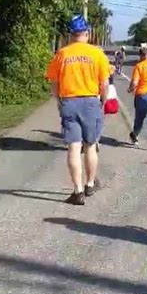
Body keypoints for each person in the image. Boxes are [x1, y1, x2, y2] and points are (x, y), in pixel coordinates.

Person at [46, 14, 110, 204]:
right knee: (90, 145)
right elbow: (104, 83)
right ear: (87, 32)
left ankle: (78, 191)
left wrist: (58, 100)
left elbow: (54, 82)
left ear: (70, 34)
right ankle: (90, 183)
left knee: (73, 147)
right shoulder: (97, 54)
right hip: (91, 102)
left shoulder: (62, 54)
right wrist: (103, 101)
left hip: (69, 102)